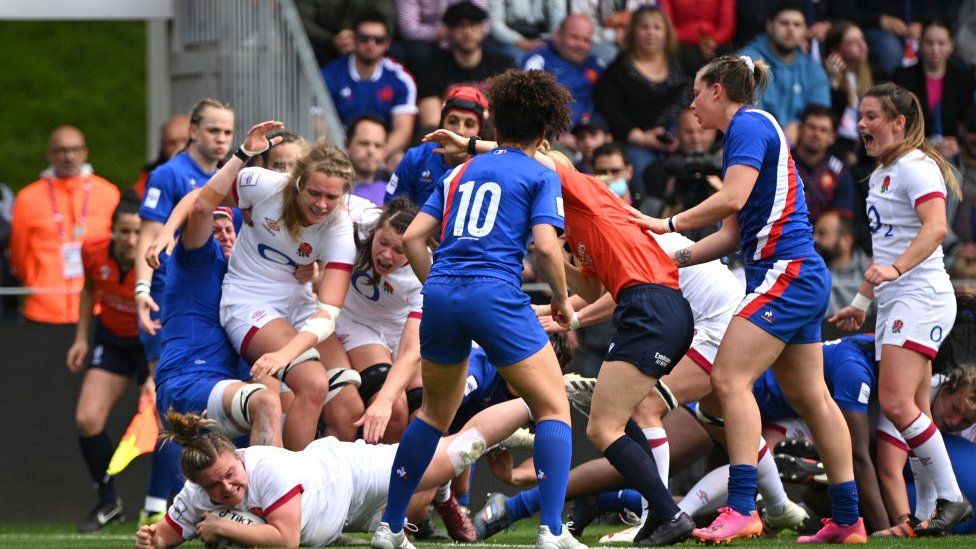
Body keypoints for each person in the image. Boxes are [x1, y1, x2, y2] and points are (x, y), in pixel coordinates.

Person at [631, 54, 865, 544]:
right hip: (794, 272)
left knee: (727, 378)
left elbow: (731, 199)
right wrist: (676, 258)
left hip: (786, 272)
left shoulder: (748, 126)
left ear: (718, 90)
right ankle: (848, 519)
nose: (691, 105)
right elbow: (733, 232)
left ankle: (742, 509)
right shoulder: (750, 130)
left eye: (696, 93)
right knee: (811, 397)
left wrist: (666, 224)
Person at [372, 69, 579, 549]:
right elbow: (547, 248)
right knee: (553, 407)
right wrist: (563, 301)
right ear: (546, 132)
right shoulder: (539, 173)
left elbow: (412, 238)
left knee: (433, 417)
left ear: (494, 126)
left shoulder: (456, 171)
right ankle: (551, 532)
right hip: (496, 292)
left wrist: (440, 286)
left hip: (442, 291)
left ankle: (390, 527)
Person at [830, 81, 974, 535]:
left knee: (893, 402)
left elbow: (934, 230)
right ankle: (927, 517)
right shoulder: (878, 176)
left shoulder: (916, 166)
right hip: (898, 299)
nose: (863, 125)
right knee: (916, 408)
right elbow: (886, 252)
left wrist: (895, 273)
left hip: (922, 296)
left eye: (872, 116)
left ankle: (952, 499)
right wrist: (860, 302)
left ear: (900, 123)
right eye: (861, 115)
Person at [134, 397, 536, 548]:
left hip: (348, 474)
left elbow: (285, 539)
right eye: (214, 486)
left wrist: (223, 527)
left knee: (462, 450)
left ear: (240, 458)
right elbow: (166, 537)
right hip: (343, 518)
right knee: (412, 516)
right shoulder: (196, 494)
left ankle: (540, 398)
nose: (227, 487)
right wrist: (153, 539)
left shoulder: (266, 467)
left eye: (230, 474)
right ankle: (439, 490)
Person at [66, 196, 147, 532]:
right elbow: (88, 290)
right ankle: (109, 502)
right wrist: (82, 337)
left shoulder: (158, 259)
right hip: (111, 340)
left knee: (168, 422)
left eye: (137, 233)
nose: (130, 240)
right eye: (124, 232)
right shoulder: (92, 251)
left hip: (149, 345)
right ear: (112, 231)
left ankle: (180, 501)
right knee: (87, 419)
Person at [9, 125, 121, 324]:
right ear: (50, 155)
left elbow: (116, 247)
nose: (69, 157)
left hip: (96, 305)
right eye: (61, 151)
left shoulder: (108, 193)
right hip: (44, 307)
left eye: (75, 150)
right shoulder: (28, 198)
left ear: (85, 152)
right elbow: (19, 254)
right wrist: (36, 282)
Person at [593, 6, 691, 197]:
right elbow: (609, 109)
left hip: (684, 140)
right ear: (633, 32)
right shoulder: (618, 70)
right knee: (645, 173)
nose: (651, 33)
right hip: (638, 145)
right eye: (644, 27)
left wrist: (683, 134)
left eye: (657, 27)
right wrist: (641, 137)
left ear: (667, 32)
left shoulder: (684, 62)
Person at [872, 363, 976, 537]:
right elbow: (888, 471)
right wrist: (905, 524)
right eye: (955, 409)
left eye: (965, 421)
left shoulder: (968, 414)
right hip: (885, 474)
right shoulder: (906, 400)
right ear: (945, 390)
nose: (954, 422)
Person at [321, 9, 417, 158]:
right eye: (364, 38)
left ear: (387, 44)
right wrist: (345, 156)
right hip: (338, 151)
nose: (371, 44)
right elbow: (320, 127)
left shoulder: (401, 79)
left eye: (378, 40)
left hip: (382, 152)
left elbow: (402, 132)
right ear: (354, 39)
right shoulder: (330, 75)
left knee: (398, 160)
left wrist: (374, 155)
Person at [738, 0, 831, 144]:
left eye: (797, 25)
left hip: (800, 147)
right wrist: (780, 134)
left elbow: (820, 112)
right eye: (784, 23)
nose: (790, 29)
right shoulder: (748, 60)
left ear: (805, 30)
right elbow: (747, 110)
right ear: (770, 26)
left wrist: (798, 126)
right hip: (757, 141)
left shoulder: (813, 68)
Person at [414, 1, 515, 132]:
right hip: (449, 139)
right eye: (460, 26)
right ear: (449, 30)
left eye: (473, 25)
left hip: (494, 141)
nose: (467, 32)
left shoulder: (503, 65)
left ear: (483, 27)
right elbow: (431, 123)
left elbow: (510, 116)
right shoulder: (431, 66)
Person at [384, 85, 489, 207]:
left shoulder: (488, 166)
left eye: (469, 124)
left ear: (479, 131)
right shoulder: (415, 158)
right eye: (452, 121)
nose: (460, 131)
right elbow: (390, 211)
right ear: (441, 125)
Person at [893, 19, 975, 161]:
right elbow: (899, 121)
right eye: (929, 43)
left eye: (941, 43)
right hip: (913, 151)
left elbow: (966, 118)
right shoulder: (902, 78)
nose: (935, 49)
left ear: (951, 46)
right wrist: (925, 145)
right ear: (920, 45)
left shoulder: (963, 77)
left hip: (953, 151)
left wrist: (957, 143)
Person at [522, 14, 605, 125]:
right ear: (558, 36)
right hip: (549, 133)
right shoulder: (538, 61)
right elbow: (530, 103)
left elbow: (610, 104)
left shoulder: (597, 65)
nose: (580, 45)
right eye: (574, 37)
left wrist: (598, 129)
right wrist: (553, 133)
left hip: (587, 132)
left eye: (586, 40)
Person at [793, 105, 855, 223]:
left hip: (820, 237)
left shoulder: (839, 171)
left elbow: (841, 217)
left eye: (823, 130)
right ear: (800, 130)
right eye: (811, 127)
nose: (816, 134)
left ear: (832, 137)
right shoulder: (782, 162)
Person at [822, 21, 872, 159]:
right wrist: (834, 82)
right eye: (852, 42)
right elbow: (831, 119)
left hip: (865, 149)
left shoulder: (876, 75)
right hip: (838, 149)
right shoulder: (823, 77)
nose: (862, 46)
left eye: (862, 39)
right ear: (835, 50)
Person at [488, 0, 566, 64]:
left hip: (541, 37)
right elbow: (495, 25)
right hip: (510, 40)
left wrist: (551, 38)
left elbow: (558, 21)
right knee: (524, 60)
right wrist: (521, 41)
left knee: (560, 57)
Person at [133, 115, 191, 199]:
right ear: (163, 147)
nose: (180, 148)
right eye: (172, 143)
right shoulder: (148, 180)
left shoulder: (215, 174)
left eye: (186, 141)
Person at [345, 114, 390, 206]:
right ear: (347, 145)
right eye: (364, 143)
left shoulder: (392, 194)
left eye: (378, 145)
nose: (371, 151)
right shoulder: (331, 191)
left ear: (385, 150)